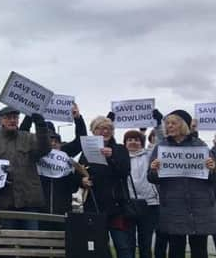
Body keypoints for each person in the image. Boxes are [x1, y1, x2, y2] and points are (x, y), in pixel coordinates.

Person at [148, 110, 216, 258]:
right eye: (167, 124)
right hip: (174, 206)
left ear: (184, 125)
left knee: (199, 250)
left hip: (199, 206)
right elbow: (152, 178)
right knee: (176, 249)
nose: (169, 126)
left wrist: (212, 169)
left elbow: (212, 178)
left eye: (173, 123)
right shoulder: (161, 148)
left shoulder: (200, 145)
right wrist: (153, 170)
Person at [0, 107, 50, 229]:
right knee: (9, 243)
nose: (12, 120)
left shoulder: (29, 137)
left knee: (31, 241)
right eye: (8, 118)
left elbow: (44, 149)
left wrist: (41, 126)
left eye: (15, 117)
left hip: (29, 201)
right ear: (1, 120)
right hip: (5, 202)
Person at [80, 116, 131, 258]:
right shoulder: (86, 152)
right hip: (94, 205)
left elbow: (125, 171)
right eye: (100, 128)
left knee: (123, 246)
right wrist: (82, 180)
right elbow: (80, 172)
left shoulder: (120, 149)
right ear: (93, 131)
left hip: (116, 206)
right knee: (100, 245)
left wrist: (112, 157)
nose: (105, 131)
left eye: (108, 128)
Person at [123, 129, 159, 258]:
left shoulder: (149, 155)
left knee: (146, 243)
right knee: (129, 242)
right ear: (125, 143)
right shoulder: (121, 157)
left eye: (137, 140)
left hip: (149, 204)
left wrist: (145, 128)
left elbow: (158, 142)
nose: (133, 142)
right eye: (129, 140)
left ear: (142, 142)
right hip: (128, 205)